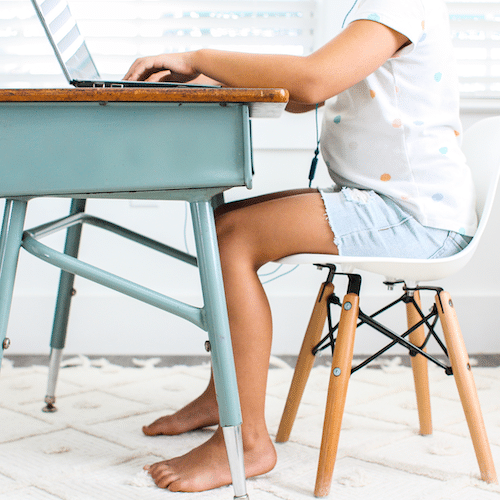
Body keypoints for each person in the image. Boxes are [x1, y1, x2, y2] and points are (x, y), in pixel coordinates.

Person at [124, 0, 476, 493]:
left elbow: (312, 80)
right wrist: (203, 83)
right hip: (393, 204)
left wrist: (199, 56)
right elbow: (305, 96)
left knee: (232, 239)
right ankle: (223, 398)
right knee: (226, 222)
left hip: (413, 218)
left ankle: (248, 443)